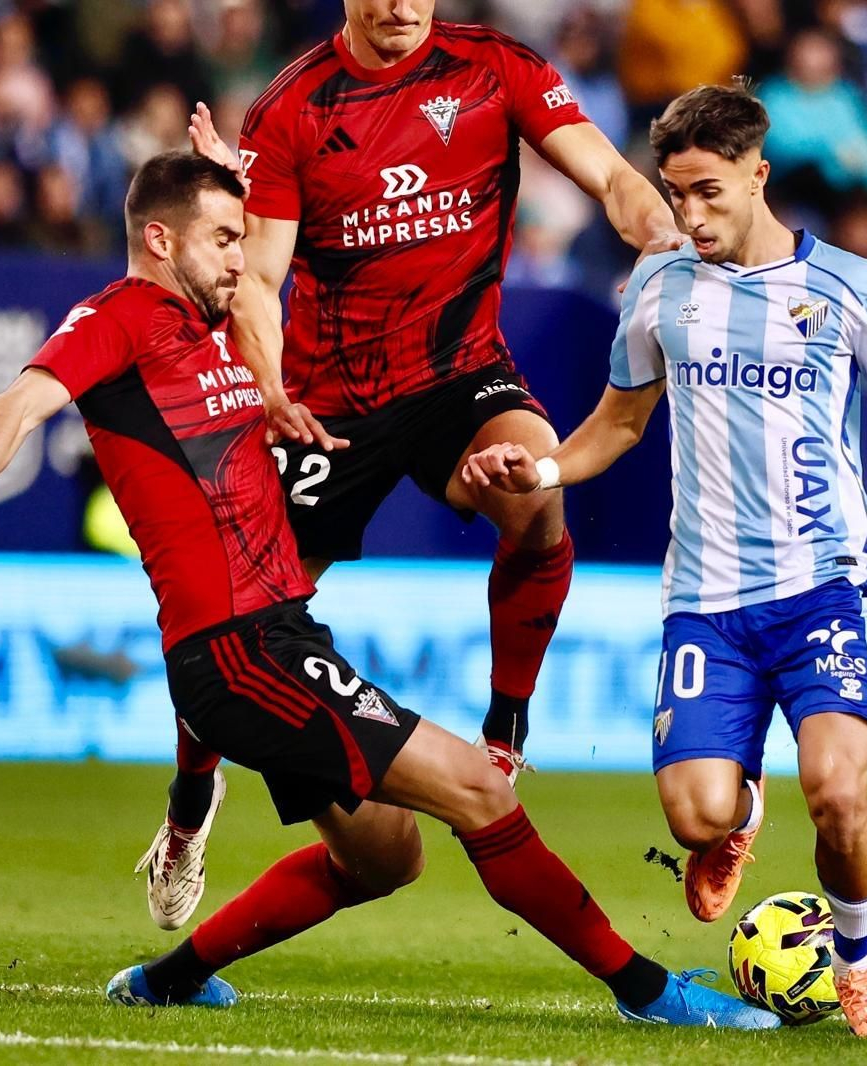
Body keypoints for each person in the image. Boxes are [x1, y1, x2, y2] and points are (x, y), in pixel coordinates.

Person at [0, 151, 777, 1029]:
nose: (242, 258)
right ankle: (652, 993)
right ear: (159, 240)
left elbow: (251, 300)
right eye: (224, 240)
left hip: (274, 641)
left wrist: (230, 187)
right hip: (240, 652)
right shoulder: (118, 317)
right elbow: (19, 403)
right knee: (480, 791)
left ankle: (165, 980)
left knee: (387, 859)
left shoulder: (207, 333)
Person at [459, 83, 867, 1040]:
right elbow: (621, 423)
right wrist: (544, 465)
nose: (688, 215)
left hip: (824, 585)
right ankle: (742, 803)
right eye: (675, 194)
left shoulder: (856, 289)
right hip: (704, 599)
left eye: (708, 192)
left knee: (840, 794)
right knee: (694, 819)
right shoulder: (657, 285)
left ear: (758, 176)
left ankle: (856, 964)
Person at [137, 0, 687, 932]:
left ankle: (505, 732)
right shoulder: (295, 107)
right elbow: (262, 279)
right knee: (237, 618)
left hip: (459, 374)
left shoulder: (494, 67)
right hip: (328, 398)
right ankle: (191, 806)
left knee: (538, 487)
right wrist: (269, 387)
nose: (399, 7)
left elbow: (611, 173)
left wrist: (660, 235)